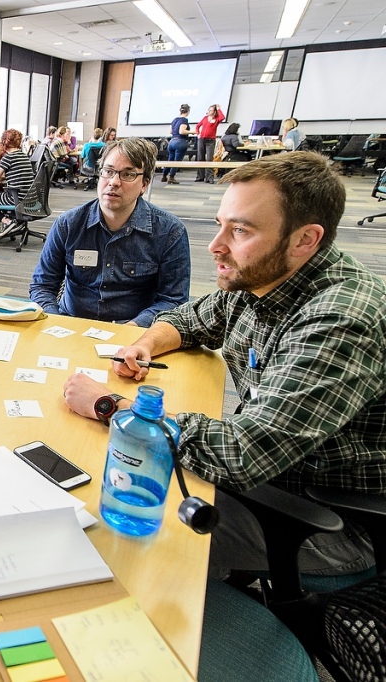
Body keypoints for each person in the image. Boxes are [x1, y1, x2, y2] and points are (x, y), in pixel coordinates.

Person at [61, 151, 386, 579]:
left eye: (241, 230)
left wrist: (108, 405)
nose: (216, 246)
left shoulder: (341, 319)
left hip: (322, 522)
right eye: (220, 225)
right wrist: (144, 344)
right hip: (270, 480)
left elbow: (242, 453)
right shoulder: (262, 275)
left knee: (105, 531)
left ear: (305, 239)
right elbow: (187, 320)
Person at [28, 137, 190, 326]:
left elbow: (174, 300)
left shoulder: (170, 232)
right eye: (108, 171)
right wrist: (56, 321)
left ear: (144, 184)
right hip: (71, 324)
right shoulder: (68, 224)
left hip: (133, 332)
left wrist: (134, 327)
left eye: (128, 174)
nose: (113, 182)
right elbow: (42, 286)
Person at [0, 128, 35, 229]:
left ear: (4, 142)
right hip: (29, 197)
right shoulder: (24, 156)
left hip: (16, 197)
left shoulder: (8, 157)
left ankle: (7, 221)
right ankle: (11, 221)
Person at [160, 103, 191, 185]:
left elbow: (170, 131)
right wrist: (193, 132)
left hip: (172, 141)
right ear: (188, 111)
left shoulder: (174, 119)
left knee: (170, 160)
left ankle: (164, 175)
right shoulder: (184, 120)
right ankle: (171, 177)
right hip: (181, 142)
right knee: (177, 161)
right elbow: (182, 131)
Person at [195, 103, 226, 183]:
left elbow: (222, 117)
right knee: (200, 158)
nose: (208, 111)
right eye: (208, 110)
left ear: (214, 111)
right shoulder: (205, 118)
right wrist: (198, 134)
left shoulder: (216, 119)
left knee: (209, 158)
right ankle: (200, 177)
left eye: (210, 110)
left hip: (210, 141)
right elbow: (198, 126)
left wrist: (219, 108)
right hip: (202, 139)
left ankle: (209, 178)